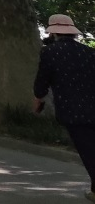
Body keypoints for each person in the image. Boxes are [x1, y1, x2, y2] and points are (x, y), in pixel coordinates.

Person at [34, 14, 95, 201]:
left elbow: (41, 83)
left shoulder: (49, 52)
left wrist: (38, 99)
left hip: (73, 110)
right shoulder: (89, 52)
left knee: (88, 151)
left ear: (53, 33)